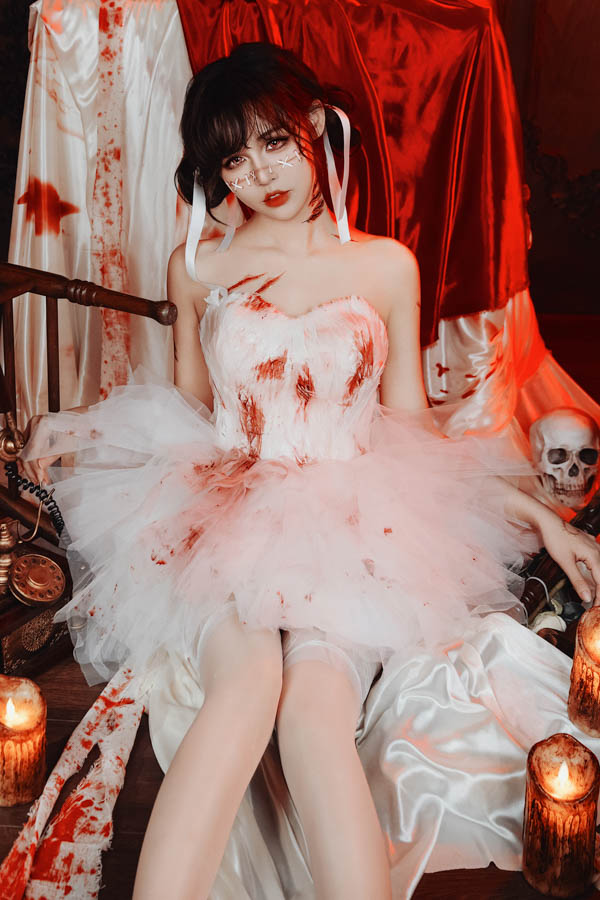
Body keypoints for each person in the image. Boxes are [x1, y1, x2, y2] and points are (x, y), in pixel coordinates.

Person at [20, 43, 600, 900]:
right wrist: (86, 424)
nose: (259, 174)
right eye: (233, 159)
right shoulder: (199, 265)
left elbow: (413, 429)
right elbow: (187, 411)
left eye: (274, 142)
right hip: (222, 509)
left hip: (355, 520)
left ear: (318, 127)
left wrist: (544, 515)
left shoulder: (385, 265)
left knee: (314, 714)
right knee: (245, 688)